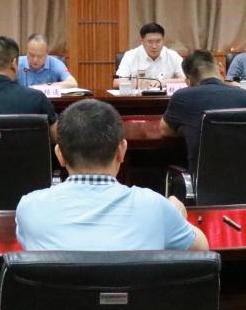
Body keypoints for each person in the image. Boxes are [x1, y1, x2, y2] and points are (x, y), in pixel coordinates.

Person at [16, 99, 208, 251]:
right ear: (121, 151)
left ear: (60, 155)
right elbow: (202, 249)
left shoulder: (30, 207)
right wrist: (177, 217)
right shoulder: (157, 208)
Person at [161, 50, 246, 173]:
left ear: (188, 82)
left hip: (203, 181)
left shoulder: (182, 97)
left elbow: (166, 130)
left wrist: (188, 126)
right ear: (221, 69)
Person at [113, 22, 184, 88]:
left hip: (164, 96)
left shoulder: (173, 56)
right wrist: (140, 83)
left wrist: (164, 82)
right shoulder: (130, 56)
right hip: (139, 96)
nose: (154, 46)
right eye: (150, 42)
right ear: (142, 41)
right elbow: (116, 82)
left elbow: (188, 79)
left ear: (163, 40)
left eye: (158, 41)